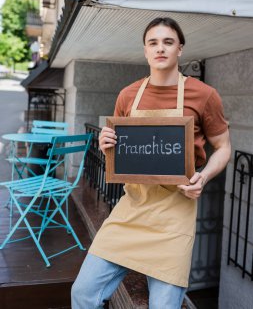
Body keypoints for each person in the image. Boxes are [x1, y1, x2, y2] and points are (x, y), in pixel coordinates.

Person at [71, 17, 231, 309]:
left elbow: (223, 147)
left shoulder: (204, 95)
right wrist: (106, 143)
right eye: (153, 43)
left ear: (180, 48)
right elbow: (120, 149)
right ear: (145, 51)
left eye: (168, 42)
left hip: (175, 214)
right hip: (131, 209)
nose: (160, 48)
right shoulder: (128, 95)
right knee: (83, 293)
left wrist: (204, 177)